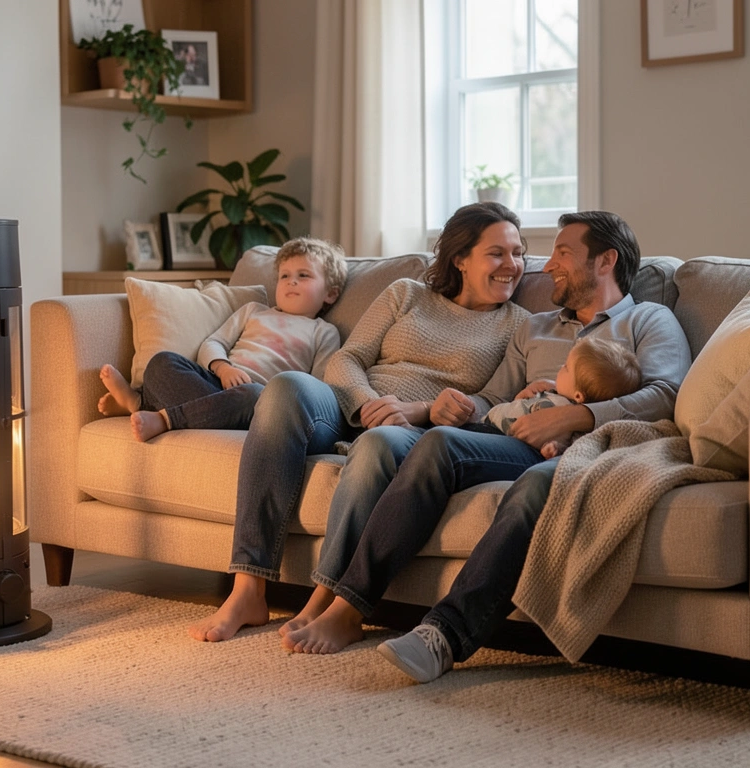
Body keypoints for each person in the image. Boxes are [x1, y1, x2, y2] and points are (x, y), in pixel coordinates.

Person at [281, 211, 690, 657]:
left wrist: (575, 417)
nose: (548, 264)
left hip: (587, 449)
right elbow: (493, 399)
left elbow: (666, 394)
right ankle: (349, 606)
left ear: (606, 261)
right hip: (518, 443)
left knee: (533, 484)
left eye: (563, 253)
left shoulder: (649, 319)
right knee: (440, 442)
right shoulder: (535, 327)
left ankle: (443, 633)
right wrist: (445, 407)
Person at [187, 202, 532, 643]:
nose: (512, 265)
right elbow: (348, 358)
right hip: (351, 406)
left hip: (411, 433)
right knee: (287, 386)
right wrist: (368, 403)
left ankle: (326, 600)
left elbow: (494, 402)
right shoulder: (406, 293)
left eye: (518, 253)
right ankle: (247, 588)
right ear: (461, 259)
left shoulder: (520, 324)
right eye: (497, 253)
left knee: (379, 442)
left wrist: (420, 410)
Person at [97, 238, 347, 442]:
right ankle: (140, 402)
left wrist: (280, 400)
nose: (292, 281)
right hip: (216, 382)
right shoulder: (254, 310)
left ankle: (164, 417)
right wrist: (223, 367)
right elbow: (213, 343)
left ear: (330, 294)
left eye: (303, 275)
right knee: (163, 361)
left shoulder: (323, 332)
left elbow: (318, 389)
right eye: (285, 276)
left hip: (259, 402)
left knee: (251, 394)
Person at [482, 336, 641, 459]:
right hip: (488, 424)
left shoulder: (571, 422)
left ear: (578, 395)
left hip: (500, 436)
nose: (560, 367)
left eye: (566, 367)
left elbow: (571, 446)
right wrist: (521, 398)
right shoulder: (551, 392)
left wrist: (553, 448)